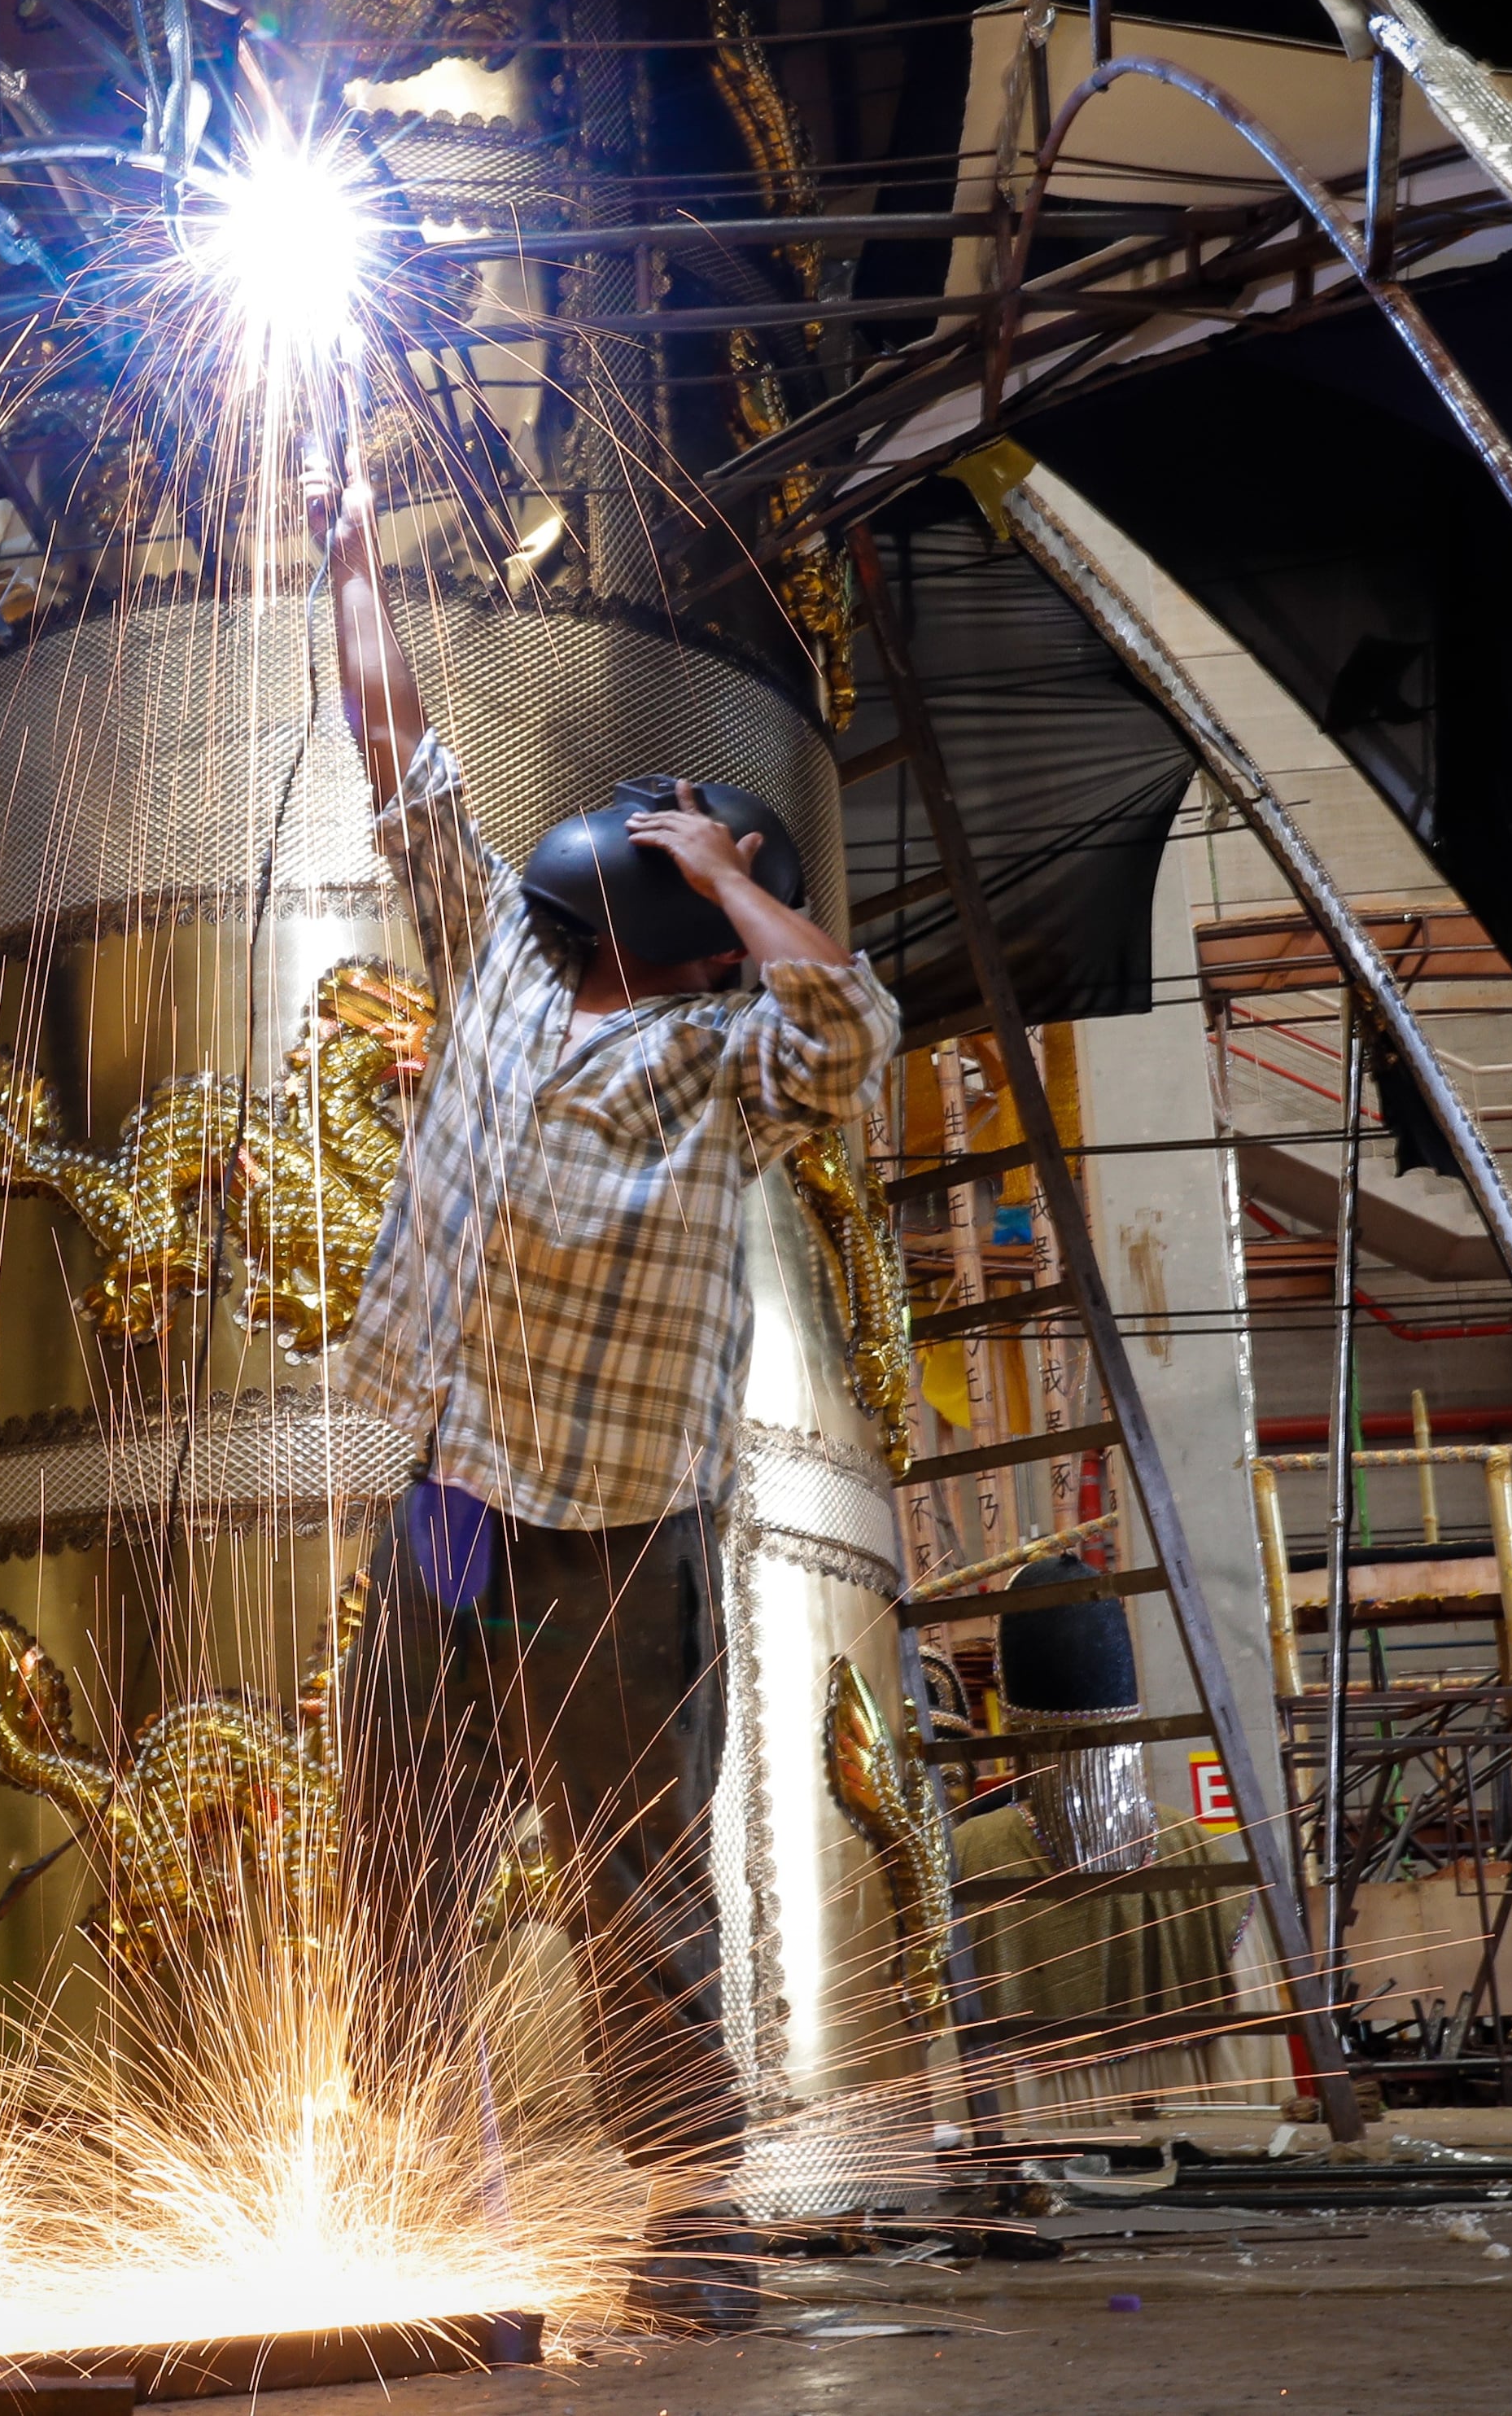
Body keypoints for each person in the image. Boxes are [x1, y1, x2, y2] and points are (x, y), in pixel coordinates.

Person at [326, 546, 898, 2330]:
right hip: (452, 1500)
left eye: (674, 825)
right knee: (388, 1835)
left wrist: (728, 880)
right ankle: (415, 2193)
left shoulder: (726, 1052)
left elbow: (851, 1021)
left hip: (612, 1532)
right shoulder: (502, 943)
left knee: (624, 1882)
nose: (634, 824)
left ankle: (691, 2215)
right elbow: (394, 742)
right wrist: (346, 539)